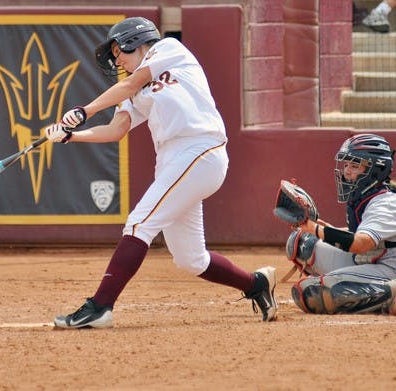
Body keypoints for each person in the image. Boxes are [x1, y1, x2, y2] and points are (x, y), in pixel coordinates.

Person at [43, 17, 278, 329]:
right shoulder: (132, 89)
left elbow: (128, 84)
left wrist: (85, 110)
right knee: (190, 259)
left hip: (200, 148)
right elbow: (117, 130)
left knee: (140, 223)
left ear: (134, 40)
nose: (118, 61)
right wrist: (73, 136)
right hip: (172, 160)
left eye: (119, 53)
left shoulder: (168, 49)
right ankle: (256, 284)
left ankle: (100, 306)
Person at [285, 133, 396, 315]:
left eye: (355, 165)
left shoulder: (386, 203)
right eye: (346, 164)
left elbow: (360, 244)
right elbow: (357, 235)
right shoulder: (365, 195)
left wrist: (314, 228)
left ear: (376, 169)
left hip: (393, 272)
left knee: (308, 293)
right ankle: (353, 282)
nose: (347, 170)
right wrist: (319, 228)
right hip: (368, 260)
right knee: (301, 242)